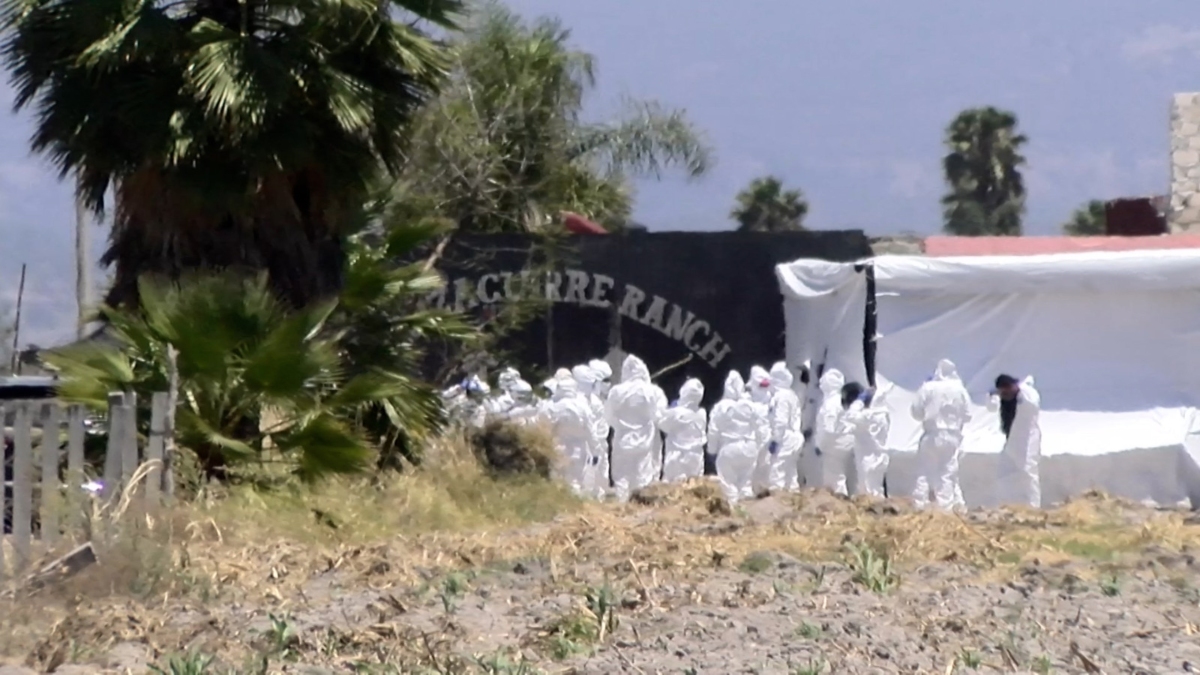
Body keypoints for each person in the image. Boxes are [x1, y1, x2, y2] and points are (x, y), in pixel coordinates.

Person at [604, 355, 668, 501]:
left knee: (621, 478)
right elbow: (658, 416)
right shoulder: (652, 391)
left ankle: (622, 509)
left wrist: (621, 427)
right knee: (643, 477)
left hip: (622, 440)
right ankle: (640, 509)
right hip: (645, 442)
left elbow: (608, 416)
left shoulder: (616, 391)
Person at [910, 359, 971, 511]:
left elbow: (916, 412)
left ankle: (920, 505)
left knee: (924, 471)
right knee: (947, 472)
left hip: (932, 433)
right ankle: (945, 508)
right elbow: (968, 415)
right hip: (953, 436)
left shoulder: (928, 387)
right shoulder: (960, 389)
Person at [708, 371, 764, 504]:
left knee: (727, 482)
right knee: (745, 484)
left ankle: (733, 508)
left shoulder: (721, 407)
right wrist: (758, 447)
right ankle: (749, 511)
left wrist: (712, 450)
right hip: (750, 448)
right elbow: (761, 429)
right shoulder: (751, 406)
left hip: (729, 448)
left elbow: (713, 430)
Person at [988, 374, 1042, 508]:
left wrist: (1020, 391)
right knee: (1006, 472)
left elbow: (1030, 406)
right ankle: (1008, 503)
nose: (1005, 395)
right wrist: (994, 397)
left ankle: (1033, 506)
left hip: (1027, 440)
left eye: (1007, 392)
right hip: (1012, 439)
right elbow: (991, 407)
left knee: (1028, 472)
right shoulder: (1006, 398)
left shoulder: (1027, 395)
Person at [542, 377, 596, 495]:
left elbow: (542, 427)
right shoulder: (582, 406)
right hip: (578, 449)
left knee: (557, 482)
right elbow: (590, 430)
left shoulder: (550, 406)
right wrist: (594, 450)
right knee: (577, 481)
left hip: (557, 448)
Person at [842, 385, 890, 498]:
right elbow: (863, 430)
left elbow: (850, 415)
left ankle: (872, 513)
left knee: (868, 491)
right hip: (878, 456)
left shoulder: (870, 416)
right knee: (876, 489)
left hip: (869, 458)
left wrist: (859, 401)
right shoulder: (882, 415)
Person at [812, 368, 854, 495]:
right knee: (839, 475)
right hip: (843, 442)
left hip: (833, 444)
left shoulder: (831, 404)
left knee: (833, 477)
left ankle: (838, 502)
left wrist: (820, 445)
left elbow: (828, 429)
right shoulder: (840, 400)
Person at [765, 361, 804, 492]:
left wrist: (776, 440)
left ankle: (777, 502)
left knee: (777, 469)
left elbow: (781, 421)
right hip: (795, 436)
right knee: (790, 472)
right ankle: (793, 497)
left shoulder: (781, 396)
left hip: (785, 437)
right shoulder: (792, 395)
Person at [573, 364, 611, 498]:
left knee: (600, 476)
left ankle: (599, 501)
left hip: (598, 442)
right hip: (585, 444)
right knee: (586, 479)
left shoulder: (595, 401)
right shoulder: (577, 401)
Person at [659, 378, 707, 482]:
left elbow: (662, 424)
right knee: (694, 484)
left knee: (673, 485)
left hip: (677, 456)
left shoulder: (677, 413)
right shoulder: (702, 414)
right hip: (696, 456)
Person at [746, 365, 774, 494]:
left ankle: (762, 492)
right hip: (750, 437)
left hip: (766, 436)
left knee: (765, 466)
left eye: (766, 385)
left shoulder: (770, 398)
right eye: (761, 385)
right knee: (749, 466)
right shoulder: (746, 398)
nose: (764, 388)